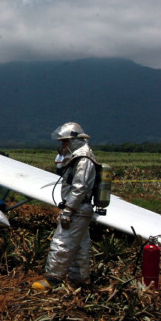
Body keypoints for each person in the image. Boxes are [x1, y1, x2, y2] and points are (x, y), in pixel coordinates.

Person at [33, 122, 96, 291]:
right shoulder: (80, 158)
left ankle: (53, 279)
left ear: (75, 140)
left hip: (76, 209)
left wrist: (67, 211)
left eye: (65, 142)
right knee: (80, 246)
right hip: (81, 209)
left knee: (62, 242)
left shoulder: (83, 160)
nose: (63, 145)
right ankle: (81, 280)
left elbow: (79, 187)